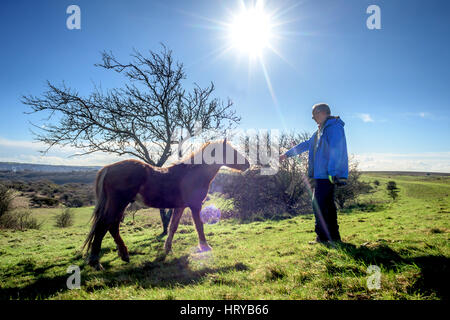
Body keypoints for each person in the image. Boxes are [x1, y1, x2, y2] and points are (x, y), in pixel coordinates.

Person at [279, 103, 348, 243]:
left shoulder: (334, 127)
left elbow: (337, 150)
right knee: (326, 205)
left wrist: (333, 172)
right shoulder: (319, 132)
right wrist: (286, 155)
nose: (313, 119)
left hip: (328, 174)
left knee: (320, 204)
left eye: (313, 116)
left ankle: (323, 238)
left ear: (320, 113)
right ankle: (333, 238)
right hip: (322, 175)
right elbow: (304, 145)